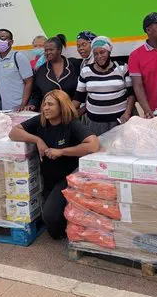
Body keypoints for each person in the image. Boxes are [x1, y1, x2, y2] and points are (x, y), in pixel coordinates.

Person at [9, 90, 99, 239]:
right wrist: (37, 140)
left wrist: (62, 151)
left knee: (51, 220)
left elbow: (93, 145)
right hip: (47, 179)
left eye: (50, 104)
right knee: (46, 217)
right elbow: (13, 132)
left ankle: (69, 222)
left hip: (67, 180)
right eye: (44, 104)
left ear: (62, 106)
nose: (46, 108)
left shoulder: (72, 124)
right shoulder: (40, 121)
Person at [73, 37, 135, 135]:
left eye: (102, 52)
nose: (99, 56)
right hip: (95, 123)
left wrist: (127, 114)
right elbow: (78, 97)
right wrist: (68, 113)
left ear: (109, 52)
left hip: (119, 121)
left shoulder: (122, 67)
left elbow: (131, 94)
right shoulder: (86, 71)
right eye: (96, 54)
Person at [128, 12, 157, 118]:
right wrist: (147, 111)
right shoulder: (135, 56)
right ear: (148, 30)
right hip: (153, 113)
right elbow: (138, 86)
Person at [0, 29, 34, 111]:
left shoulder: (18, 57)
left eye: (3, 38)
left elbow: (29, 82)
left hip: (21, 107)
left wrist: (23, 104)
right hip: (6, 108)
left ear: (11, 42)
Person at [25, 35, 81, 111]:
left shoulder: (74, 64)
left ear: (59, 50)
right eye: (46, 50)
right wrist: (33, 105)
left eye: (51, 50)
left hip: (72, 111)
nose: (48, 52)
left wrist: (71, 109)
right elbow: (36, 95)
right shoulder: (41, 70)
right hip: (50, 113)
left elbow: (81, 90)